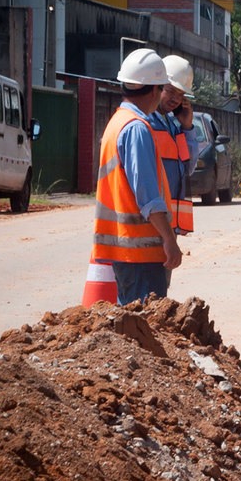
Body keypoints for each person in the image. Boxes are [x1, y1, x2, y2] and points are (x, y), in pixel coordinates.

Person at [91, 48, 183, 303]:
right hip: (141, 251)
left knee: (133, 319)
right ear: (154, 90)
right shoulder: (136, 128)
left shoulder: (117, 122)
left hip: (126, 250)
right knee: (147, 321)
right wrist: (169, 239)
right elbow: (148, 196)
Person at [148, 55, 200, 236]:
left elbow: (188, 168)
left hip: (168, 225)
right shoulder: (145, 123)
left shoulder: (173, 125)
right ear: (157, 86)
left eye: (181, 95)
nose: (176, 99)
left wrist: (187, 128)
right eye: (170, 91)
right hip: (152, 222)